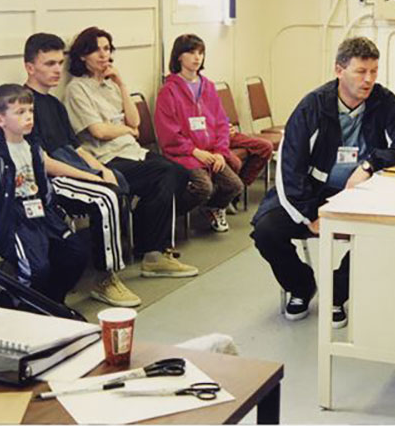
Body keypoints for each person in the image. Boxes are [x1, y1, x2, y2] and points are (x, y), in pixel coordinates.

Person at [250, 37, 395, 327]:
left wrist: (370, 165)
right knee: (266, 231)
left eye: (374, 72)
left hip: (364, 192)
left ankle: (336, 292)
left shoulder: (383, 101)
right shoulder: (312, 107)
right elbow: (289, 168)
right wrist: (308, 216)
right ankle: (301, 286)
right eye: (361, 72)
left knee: (383, 232)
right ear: (339, 70)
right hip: (311, 192)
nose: (368, 80)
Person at [64, 26, 199, 278]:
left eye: (106, 49)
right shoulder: (77, 89)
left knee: (180, 173)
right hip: (106, 158)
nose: (103, 55)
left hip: (132, 151)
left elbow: (135, 122)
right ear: (83, 56)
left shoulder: (111, 85)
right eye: (96, 50)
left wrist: (121, 83)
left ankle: (148, 244)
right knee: (165, 172)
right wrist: (126, 129)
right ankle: (153, 253)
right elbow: (99, 131)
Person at [23, 32, 141, 307]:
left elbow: (76, 147)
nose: (57, 70)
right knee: (104, 197)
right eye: (49, 64)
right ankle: (105, 277)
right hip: (47, 178)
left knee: (116, 183)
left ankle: (107, 265)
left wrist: (101, 169)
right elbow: (41, 161)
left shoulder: (53, 103)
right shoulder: (23, 104)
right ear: (30, 67)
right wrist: (90, 177)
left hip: (69, 164)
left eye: (59, 63)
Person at [0, 84, 88, 304]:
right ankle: (15, 306)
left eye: (30, 111)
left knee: (76, 253)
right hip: (12, 220)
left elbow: (43, 185)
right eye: (20, 112)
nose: (29, 117)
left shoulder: (33, 147)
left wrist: (55, 213)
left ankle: (51, 303)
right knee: (36, 270)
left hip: (41, 213)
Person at [154, 34, 243, 232]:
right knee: (204, 187)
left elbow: (221, 122)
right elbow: (168, 132)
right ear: (179, 56)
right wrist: (194, 151)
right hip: (184, 155)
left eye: (200, 53)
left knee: (235, 186)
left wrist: (220, 151)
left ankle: (212, 208)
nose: (197, 57)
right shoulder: (168, 91)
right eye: (191, 52)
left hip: (211, 153)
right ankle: (165, 215)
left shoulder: (209, 87)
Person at [224, 124, 274, 213]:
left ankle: (238, 189)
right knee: (235, 162)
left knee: (265, 147)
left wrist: (227, 126)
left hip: (226, 134)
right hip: (209, 136)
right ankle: (227, 194)